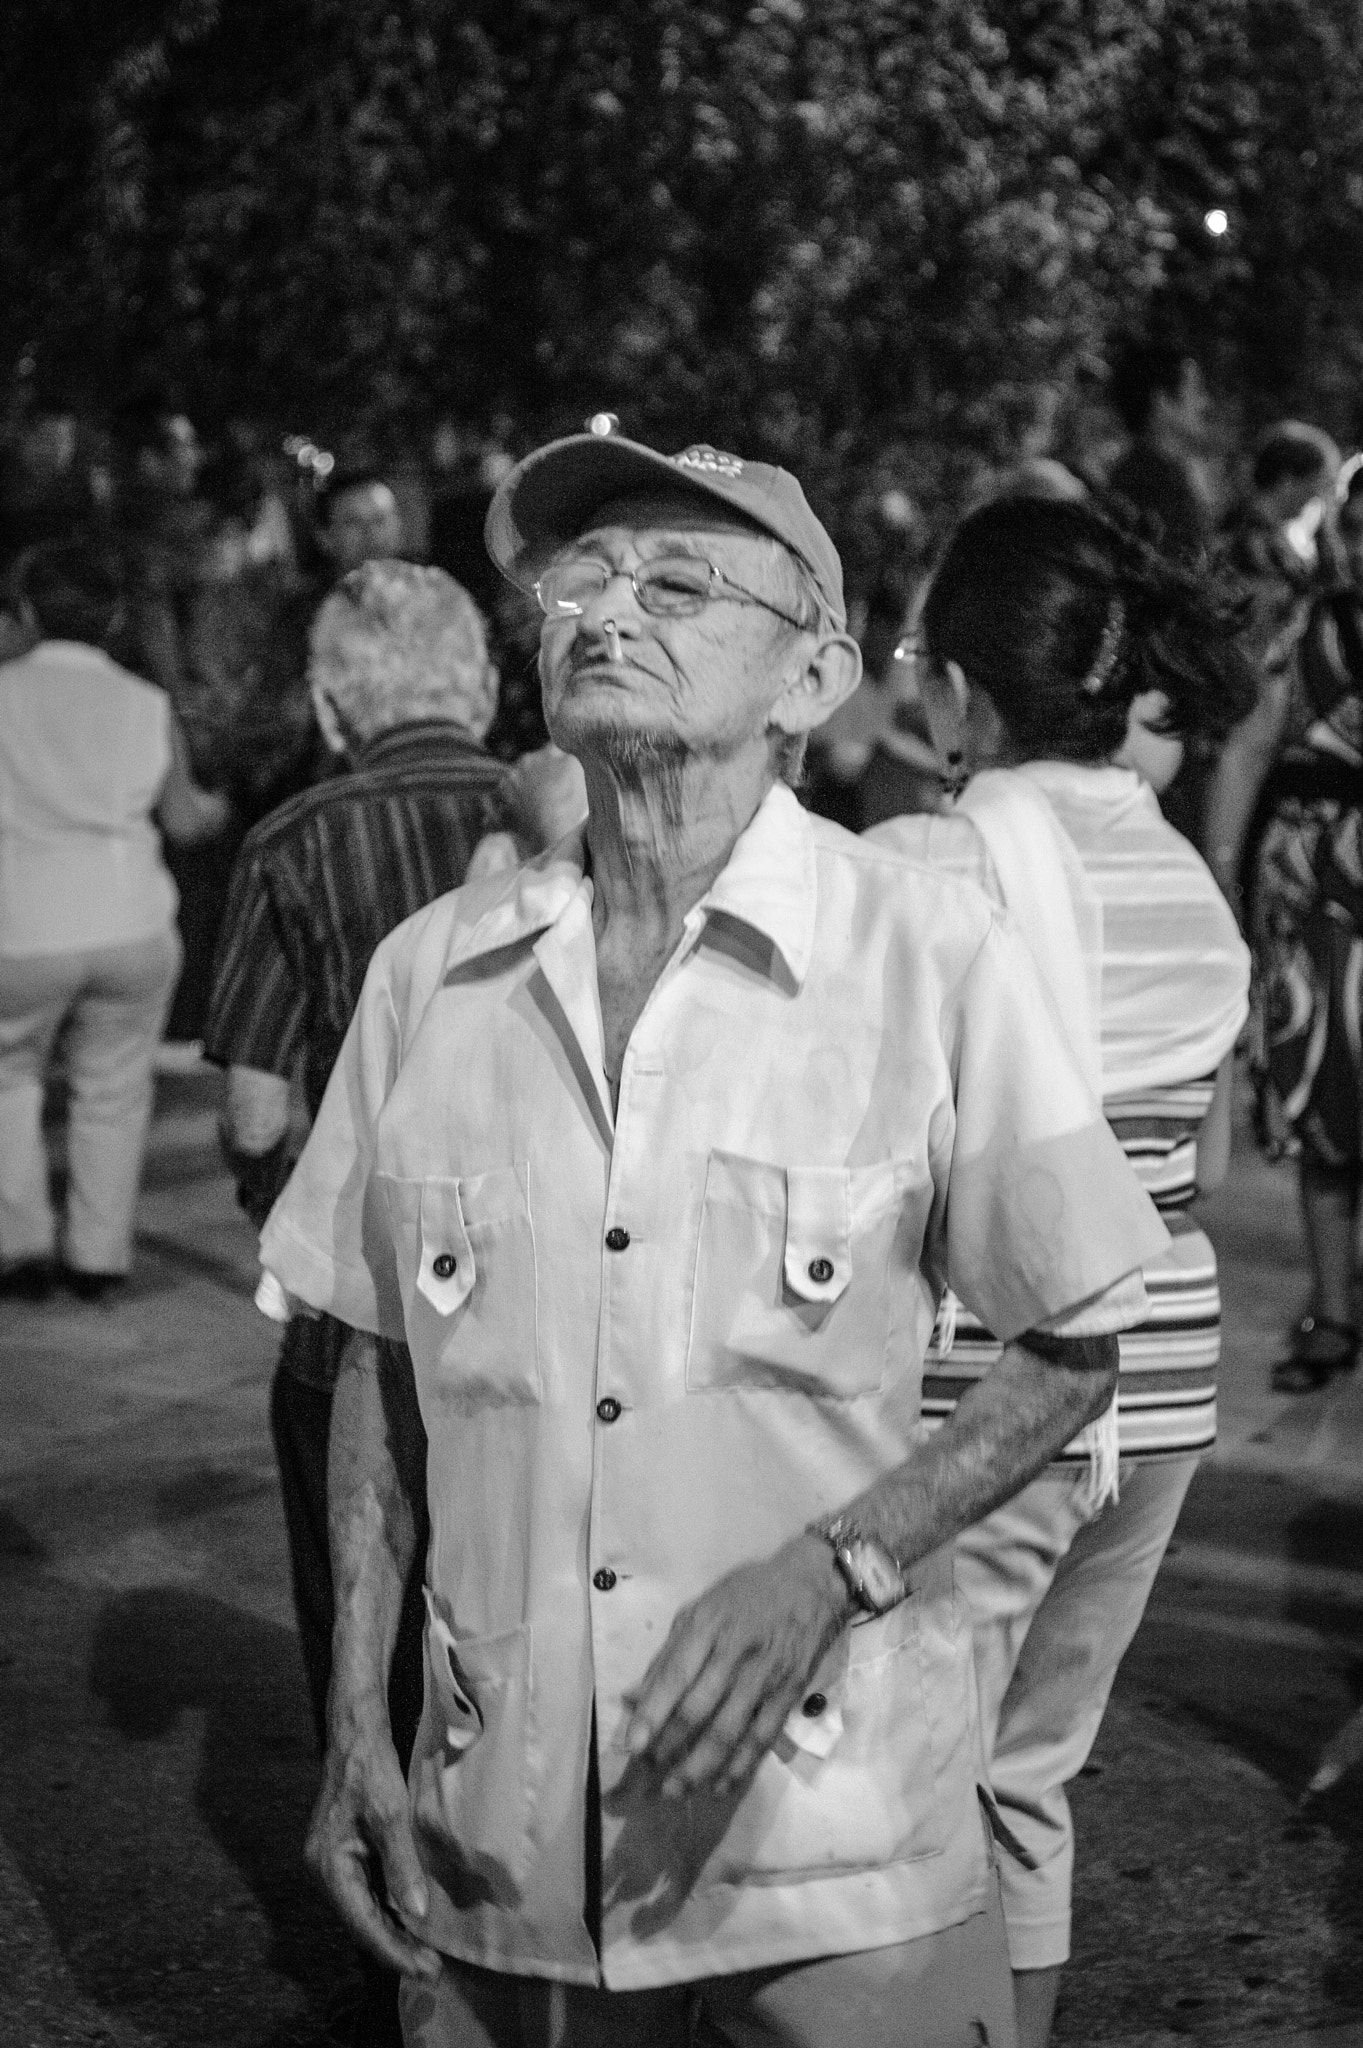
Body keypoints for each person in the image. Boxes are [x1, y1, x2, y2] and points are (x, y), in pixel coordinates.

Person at [256, 430, 1168, 2048]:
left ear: (811, 671)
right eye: (578, 581)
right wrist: (354, 1720)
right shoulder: (428, 976)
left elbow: (1072, 1339)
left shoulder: (923, 948)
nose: (607, 610)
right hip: (504, 1852)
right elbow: (374, 1351)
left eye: (677, 581)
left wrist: (839, 1559)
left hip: (830, 1864)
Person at [870, 496, 1252, 2048]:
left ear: (956, 690)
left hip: (996, 1375)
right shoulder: (1184, 878)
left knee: (912, 1775)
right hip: (1162, 1381)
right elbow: (1208, 1168)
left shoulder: (925, 863)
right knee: (1027, 1770)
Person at [202, 559, 513, 2046]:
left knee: (366, 1639)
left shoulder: (293, 840)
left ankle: (389, 1947)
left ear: (331, 705)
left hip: (361, 1325)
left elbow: (261, 1110)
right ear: (493, 686)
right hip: (546, 1315)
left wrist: (295, 1249)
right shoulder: (575, 816)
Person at [0, 542, 227, 1300]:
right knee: (114, 1088)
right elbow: (187, 819)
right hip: (130, 919)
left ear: (25, 612)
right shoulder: (147, 703)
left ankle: (20, 1243)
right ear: (114, 618)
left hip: (21, 927)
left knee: (8, 1080)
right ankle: (99, 1255)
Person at [1242, 462, 1363, 1388]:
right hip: (1312, 894)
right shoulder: (1304, 632)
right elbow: (1248, 757)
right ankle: (1330, 1314)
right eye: (1354, 529)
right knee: (1321, 1103)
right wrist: (1218, 883)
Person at [1105, 339, 1217, 563]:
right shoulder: (1147, 484)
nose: (1206, 403)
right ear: (1162, 402)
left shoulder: (1161, 474)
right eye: (1196, 391)